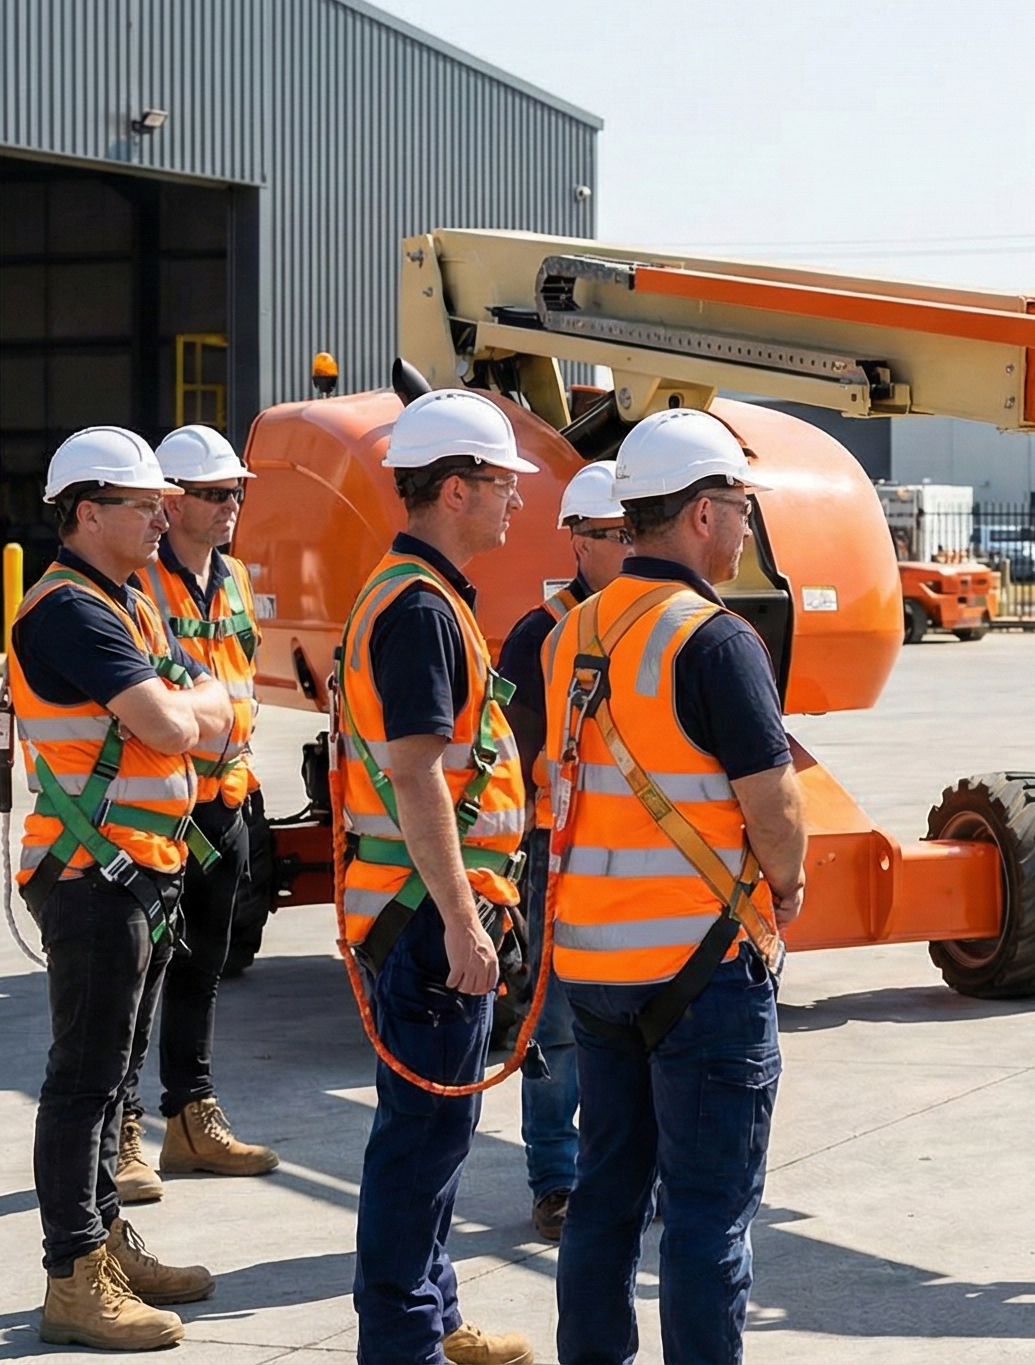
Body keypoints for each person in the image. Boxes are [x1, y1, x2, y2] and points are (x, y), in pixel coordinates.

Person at [546, 410, 806, 1365]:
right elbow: (772, 803)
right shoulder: (717, 639)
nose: (745, 528)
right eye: (740, 507)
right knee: (708, 1215)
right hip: (702, 968)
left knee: (606, 1196)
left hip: (593, 964)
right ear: (701, 513)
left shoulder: (569, 633)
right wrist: (789, 887)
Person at [12, 426, 230, 1349]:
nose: (163, 515)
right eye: (143, 505)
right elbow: (178, 726)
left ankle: (103, 1240)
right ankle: (73, 1275)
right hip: (92, 876)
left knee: (111, 1082)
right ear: (86, 513)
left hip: (140, 870)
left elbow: (205, 706)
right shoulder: (69, 610)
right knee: (84, 1080)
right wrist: (192, 711)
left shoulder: (126, 601)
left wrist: (195, 709)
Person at [334, 389, 537, 1365]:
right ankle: (405, 1341)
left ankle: (434, 1317)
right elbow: (416, 776)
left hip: (413, 911)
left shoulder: (421, 594)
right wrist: (462, 923)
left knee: (436, 1133)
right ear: (455, 489)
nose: (517, 503)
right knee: (422, 1141)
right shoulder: (418, 609)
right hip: (422, 919)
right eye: (503, 484)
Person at [111, 424, 281, 1201]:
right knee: (142, 980)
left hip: (228, 802)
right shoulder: (138, 585)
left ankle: (191, 1116)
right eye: (214, 494)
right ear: (171, 504)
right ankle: (125, 1131)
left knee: (204, 969)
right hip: (164, 809)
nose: (230, 505)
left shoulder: (238, 579)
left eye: (235, 491)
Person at [496, 460, 631, 1242]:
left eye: (635, 532)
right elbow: (511, 754)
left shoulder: (656, 622)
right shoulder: (539, 637)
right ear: (578, 541)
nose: (629, 548)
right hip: (558, 851)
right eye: (615, 535)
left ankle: (620, 1170)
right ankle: (556, 1179)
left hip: (637, 854)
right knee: (554, 1024)